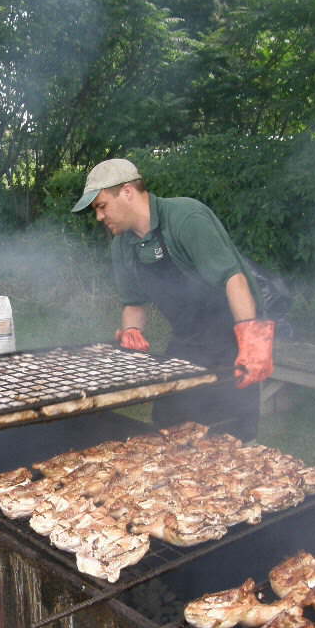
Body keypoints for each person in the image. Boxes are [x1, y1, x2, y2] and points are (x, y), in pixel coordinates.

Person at [71, 158, 275, 441]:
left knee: (230, 430)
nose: (99, 217)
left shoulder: (185, 217)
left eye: (101, 206)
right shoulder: (122, 244)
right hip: (187, 338)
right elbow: (133, 302)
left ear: (127, 191)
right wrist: (132, 330)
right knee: (167, 423)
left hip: (232, 336)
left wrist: (251, 340)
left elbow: (233, 278)